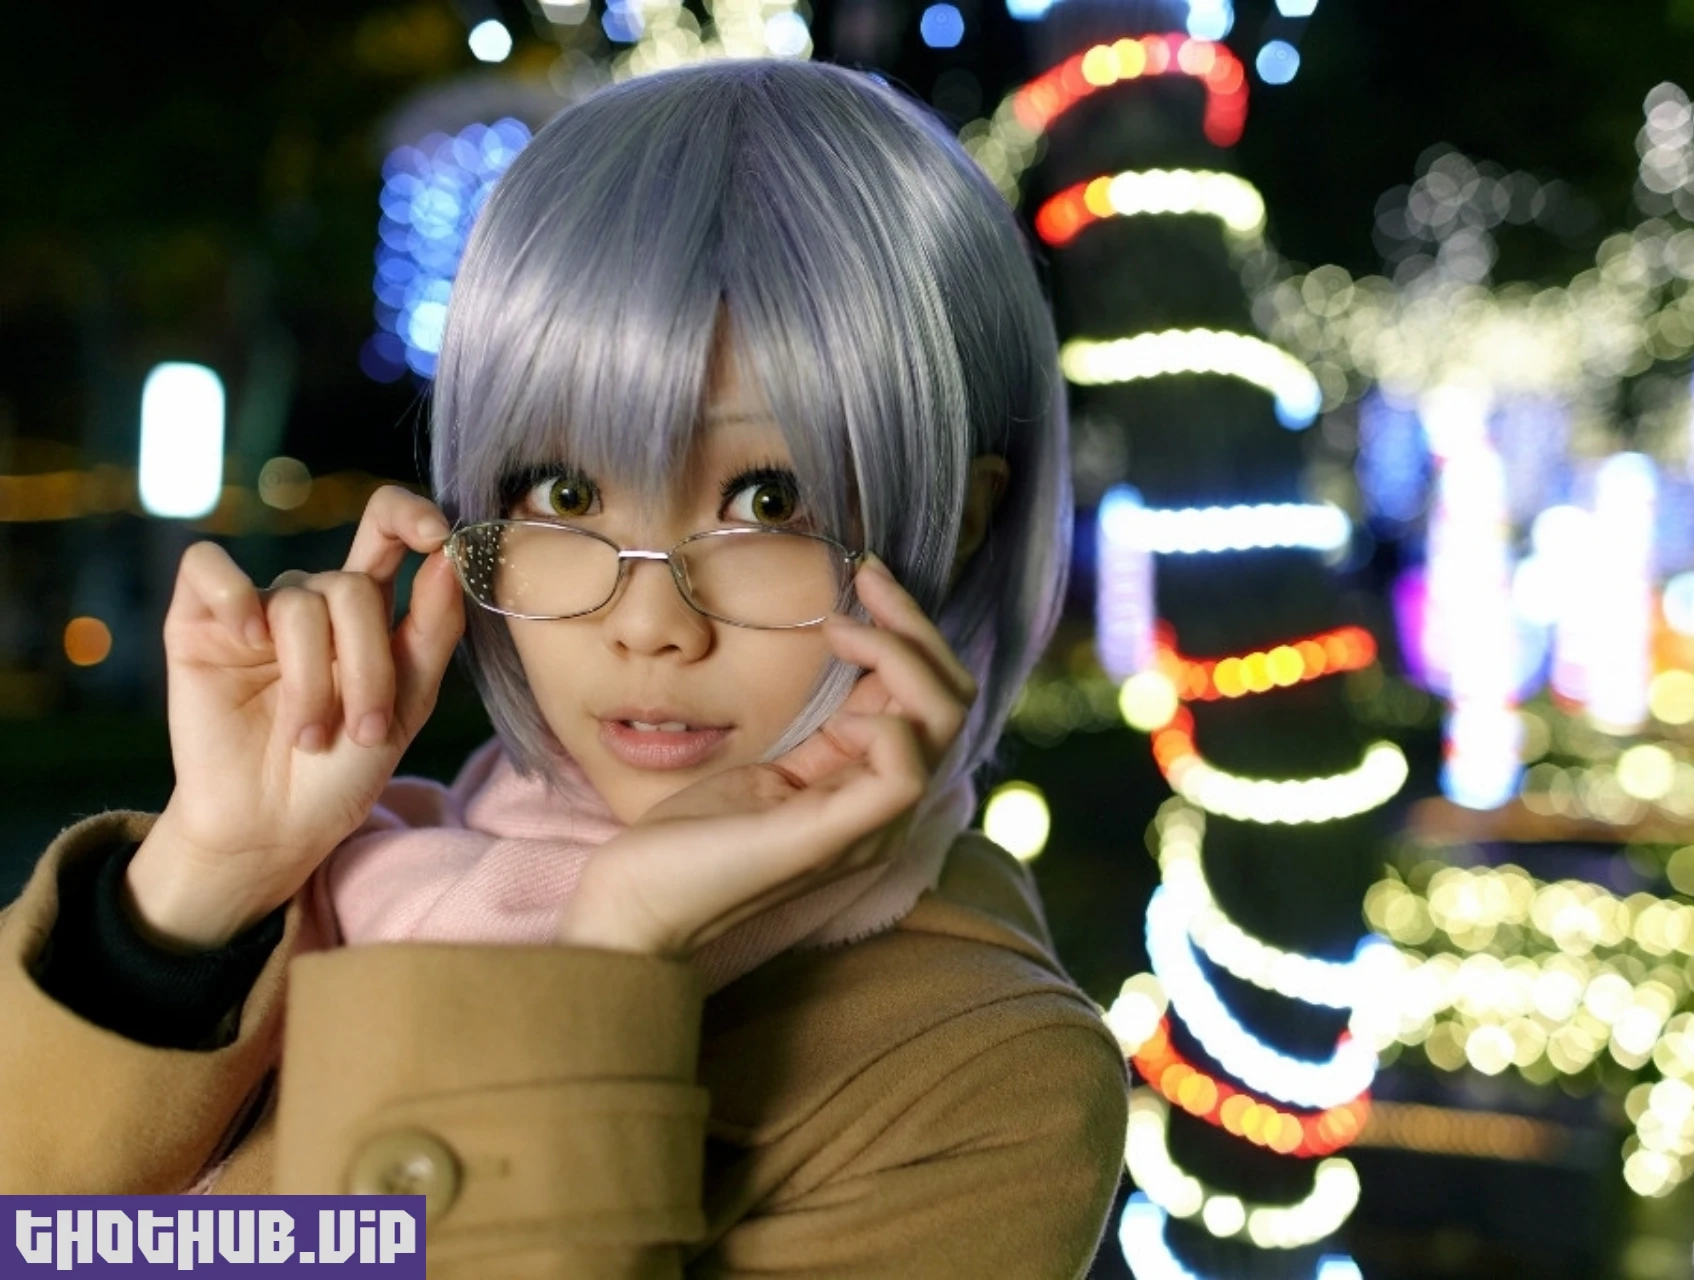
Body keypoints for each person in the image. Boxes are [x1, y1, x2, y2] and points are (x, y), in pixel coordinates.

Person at [0, 57, 1128, 1276]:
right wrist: (203, 882)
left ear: (959, 519)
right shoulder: (361, 874)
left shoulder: (983, 1078)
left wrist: (613, 954)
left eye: (766, 498)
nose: (648, 621)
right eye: (566, 490)